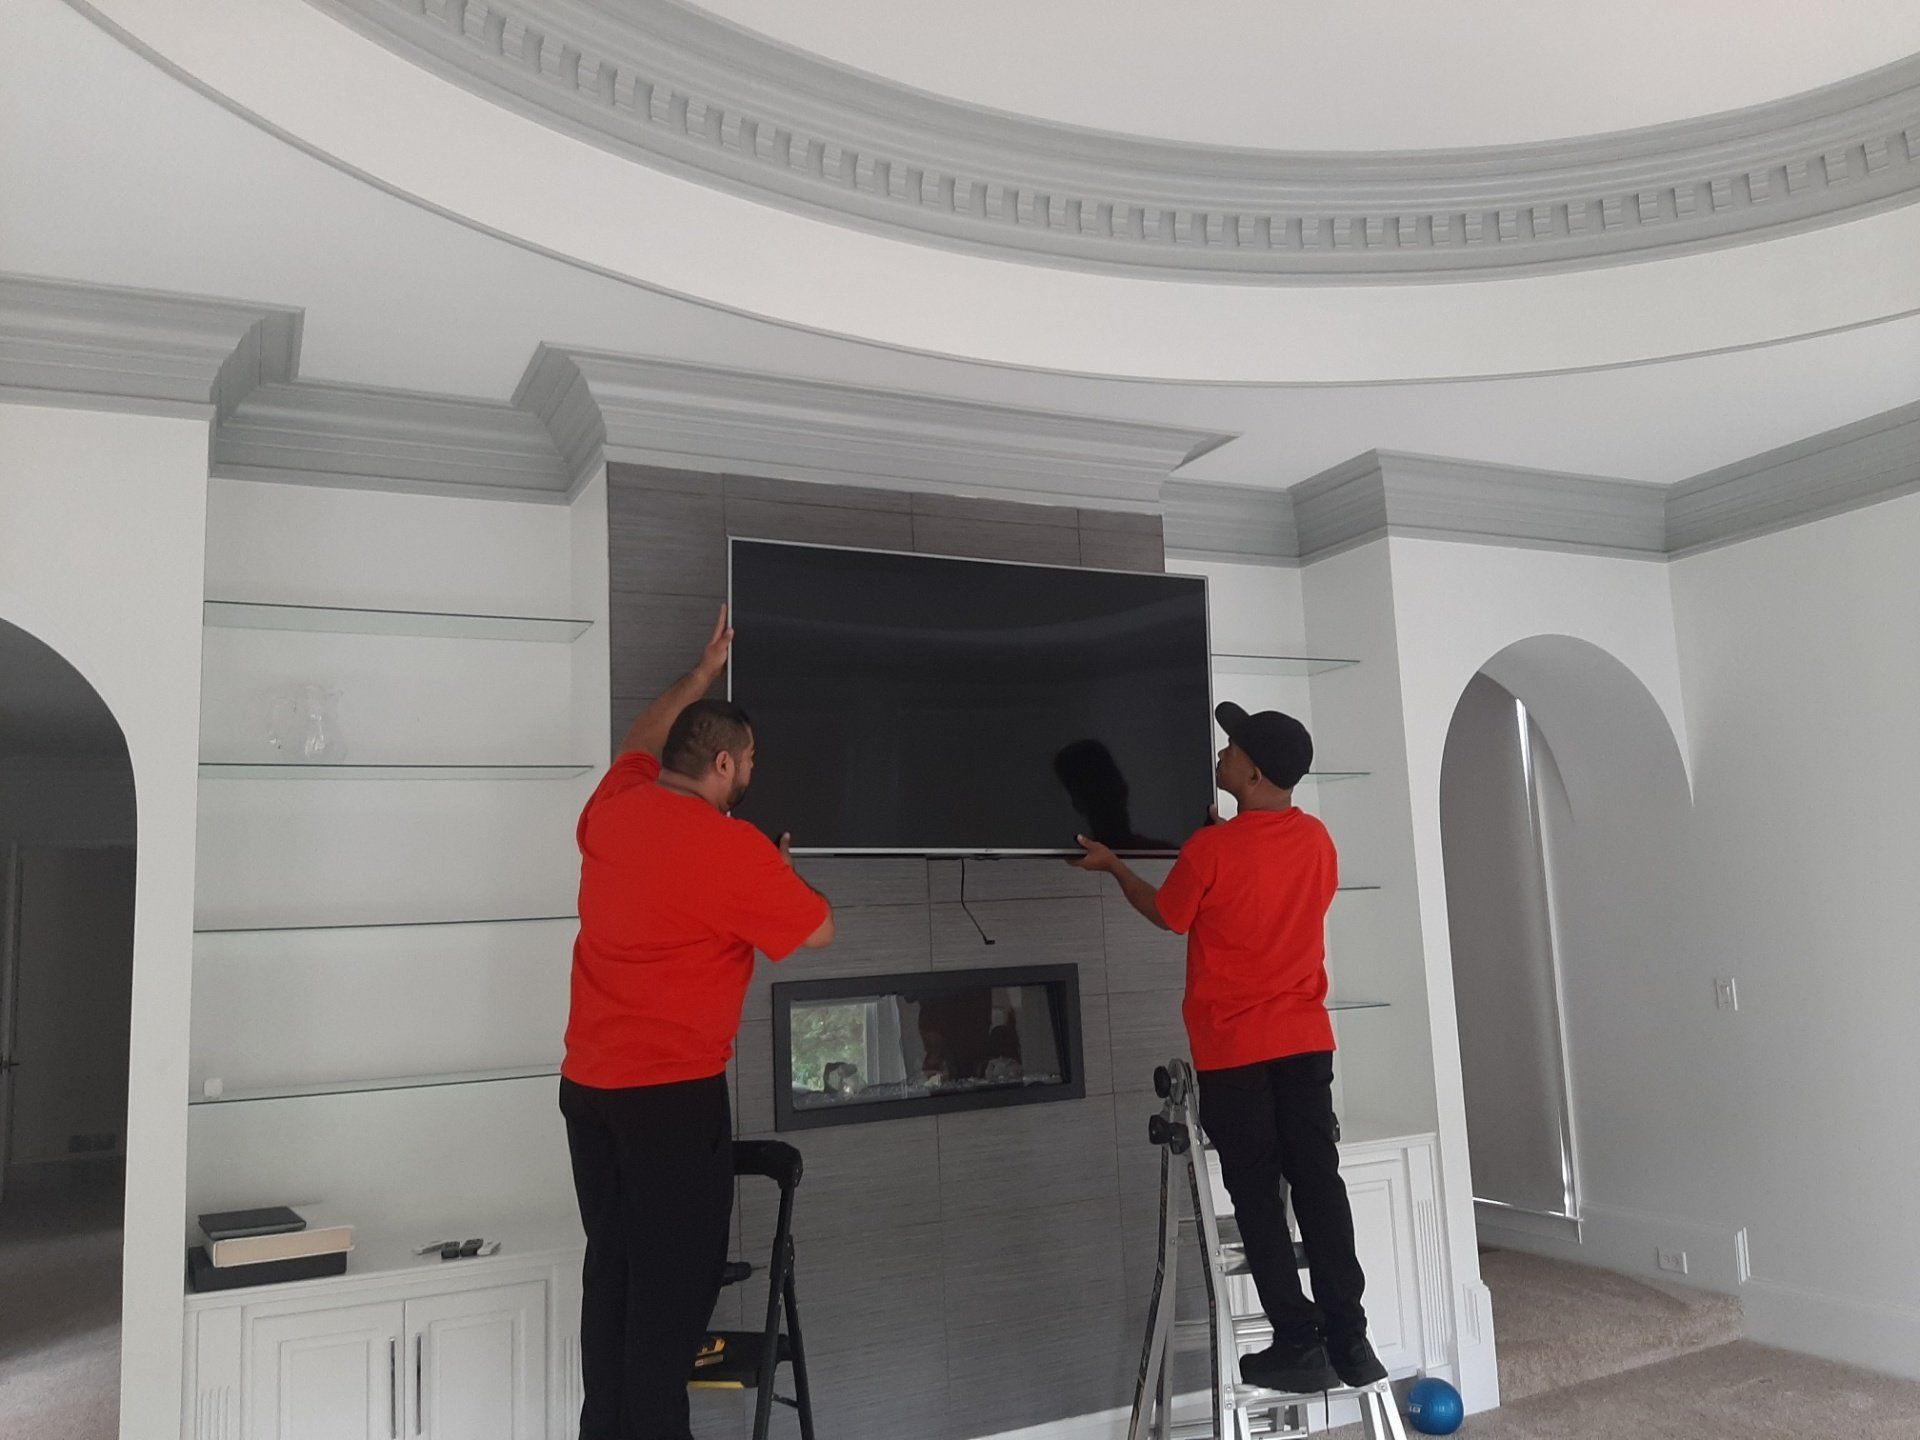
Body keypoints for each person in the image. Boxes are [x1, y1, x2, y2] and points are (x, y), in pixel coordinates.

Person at [560, 605, 836, 1440]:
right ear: (723, 762)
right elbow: (818, 928)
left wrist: (699, 675)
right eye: (749, 758)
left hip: (588, 1092)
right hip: (671, 1101)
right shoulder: (732, 850)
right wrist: (777, 875)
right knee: (674, 1295)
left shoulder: (615, 805)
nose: (752, 769)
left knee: (612, 1274)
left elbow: (640, 740)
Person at [1072, 702, 1387, 1395]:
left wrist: (1115, 868)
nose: (1219, 754)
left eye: (1229, 749)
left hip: (1235, 1049)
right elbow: (1279, 893)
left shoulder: (1209, 851)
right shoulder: (1317, 840)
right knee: (1318, 1184)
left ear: (1250, 771)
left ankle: (1298, 1341)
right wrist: (1232, 848)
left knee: (1255, 1190)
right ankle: (1351, 1339)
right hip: (1305, 1040)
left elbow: (1168, 915)